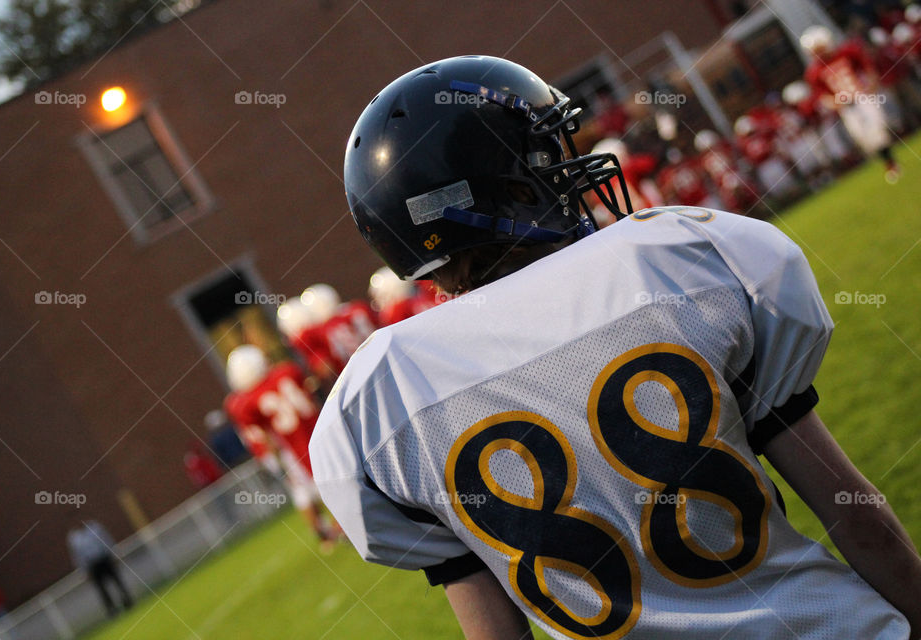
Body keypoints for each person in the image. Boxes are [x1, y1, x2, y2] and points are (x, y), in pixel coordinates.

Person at [308, 55, 920, 639]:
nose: (564, 170)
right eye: (544, 155)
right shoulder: (680, 262)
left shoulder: (380, 400)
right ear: (510, 190)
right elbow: (861, 522)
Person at [223, 345, 340, 547]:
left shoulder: (242, 402)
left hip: (291, 447)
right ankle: (334, 528)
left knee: (305, 491)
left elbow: (263, 435)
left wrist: (273, 458)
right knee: (328, 481)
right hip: (316, 430)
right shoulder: (287, 371)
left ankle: (328, 531)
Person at [801, 25, 902, 183]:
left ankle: (891, 163)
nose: (818, 53)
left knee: (877, 127)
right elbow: (824, 97)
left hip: (862, 96)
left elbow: (867, 68)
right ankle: (886, 159)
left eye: (819, 48)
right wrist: (836, 103)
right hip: (846, 107)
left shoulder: (847, 52)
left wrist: (871, 84)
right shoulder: (813, 73)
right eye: (815, 50)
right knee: (861, 137)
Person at [67, 520, 132, 616]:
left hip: (104, 558)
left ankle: (127, 600)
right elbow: (77, 556)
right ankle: (112, 609)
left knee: (117, 580)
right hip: (92, 565)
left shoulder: (95, 527)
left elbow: (107, 539)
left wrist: (115, 553)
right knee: (101, 589)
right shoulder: (73, 537)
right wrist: (83, 571)